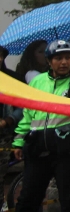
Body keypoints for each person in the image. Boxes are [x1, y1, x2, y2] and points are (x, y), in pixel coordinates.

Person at [12, 40, 70, 211]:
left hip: (68, 151)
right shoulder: (37, 82)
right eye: (58, 58)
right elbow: (28, 115)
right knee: (28, 199)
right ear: (49, 61)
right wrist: (18, 141)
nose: (64, 62)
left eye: (68, 57)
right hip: (38, 150)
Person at [0, 46, 23, 211]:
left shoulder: (12, 79)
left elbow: (24, 106)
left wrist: (9, 119)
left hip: (4, 134)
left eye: (0, 56)